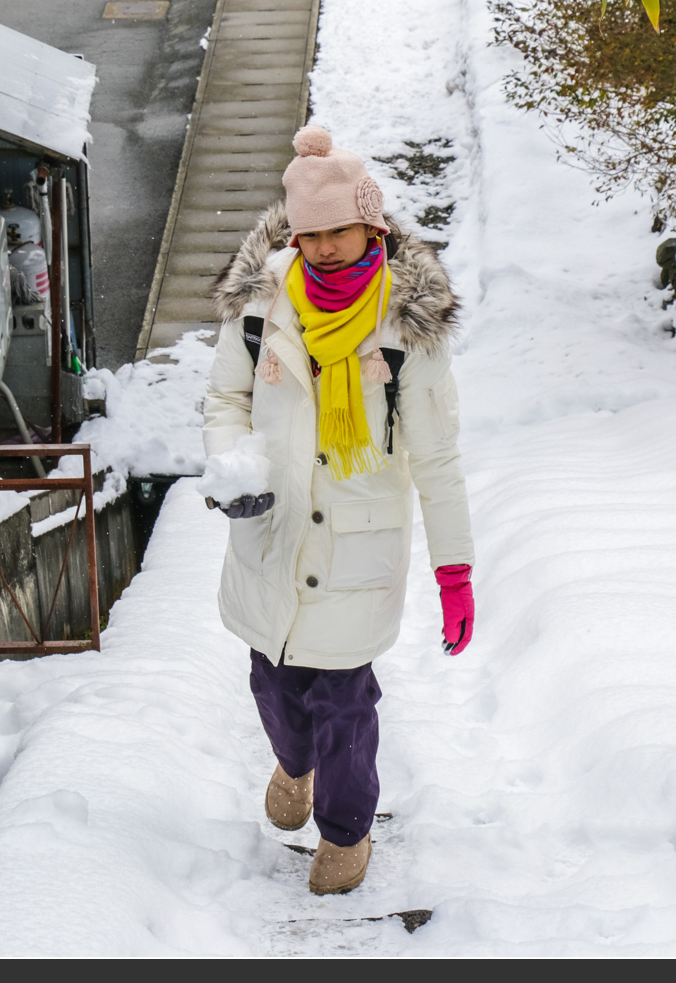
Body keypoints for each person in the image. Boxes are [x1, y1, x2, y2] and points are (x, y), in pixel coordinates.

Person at [202, 125, 475, 895]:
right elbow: (226, 396)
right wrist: (235, 460)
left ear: (372, 226)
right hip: (273, 532)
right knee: (273, 682)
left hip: (359, 546)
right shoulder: (262, 304)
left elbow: (438, 456)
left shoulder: (405, 323)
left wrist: (455, 570)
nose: (322, 247)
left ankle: (348, 833)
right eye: (309, 233)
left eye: (338, 231)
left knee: (344, 700)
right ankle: (295, 763)